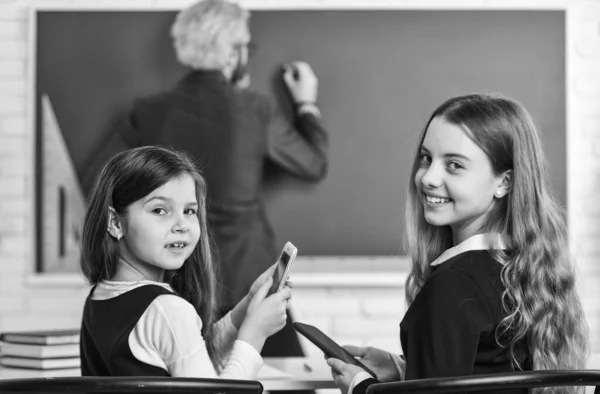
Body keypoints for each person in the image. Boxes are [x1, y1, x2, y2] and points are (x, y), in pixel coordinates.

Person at [81, 0, 328, 359]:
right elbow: (313, 164)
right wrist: (305, 104)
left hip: (178, 279)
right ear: (231, 53)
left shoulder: (149, 110)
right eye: (245, 47)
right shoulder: (255, 108)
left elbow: (100, 182)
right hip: (248, 281)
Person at [326, 94, 588, 394]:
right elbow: (486, 371)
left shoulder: (453, 285)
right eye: (426, 158)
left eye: (454, 165)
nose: (427, 177)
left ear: (504, 182)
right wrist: (405, 368)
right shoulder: (522, 269)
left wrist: (361, 387)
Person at [79, 146, 292, 378]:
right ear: (115, 223)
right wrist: (254, 336)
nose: (182, 225)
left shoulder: (99, 297)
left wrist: (245, 310)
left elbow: (187, 356)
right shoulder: (168, 309)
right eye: (160, 210)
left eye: (190, 211)